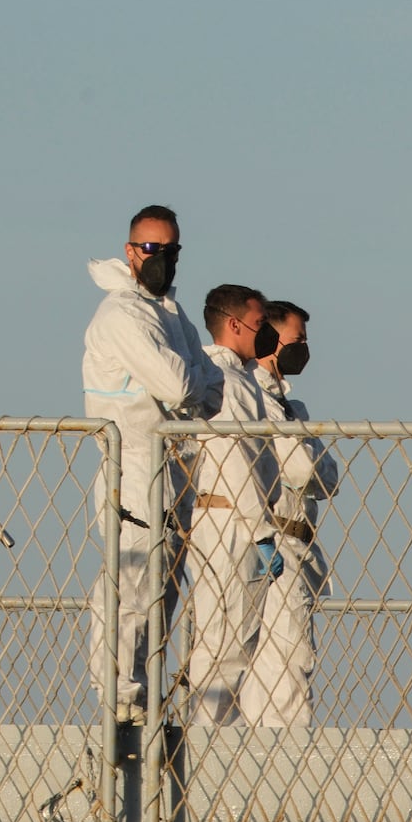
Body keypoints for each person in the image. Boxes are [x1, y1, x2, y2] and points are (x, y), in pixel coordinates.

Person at [82, 205, 224, 724]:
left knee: (162, 592)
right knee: (131, 585)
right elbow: (184, 386)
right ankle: (118, 698)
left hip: (176, 466)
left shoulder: (171, 314)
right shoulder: (122, 313)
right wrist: (189, 380)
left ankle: (144, 702)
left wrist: (189, 380)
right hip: (135, 467)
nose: (159, 259)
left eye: (169, 251)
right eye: (150, 249)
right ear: (130, 251)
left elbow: (213, 388)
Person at [184, 285, 281, 726]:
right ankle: (208, 740)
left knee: (219, 639)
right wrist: (262, 530)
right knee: (229, 644)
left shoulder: (216, 375)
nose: (266, 336)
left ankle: (209, 732)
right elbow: (237, 459)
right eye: (261, 326)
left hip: (218, 516)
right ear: (234, 324)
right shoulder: (232, 382)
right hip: (233, 519)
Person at [249, 300, 339, 728]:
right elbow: (304, 470)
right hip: (277, 539)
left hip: (302, 540)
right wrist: (309, 459)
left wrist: (308, 460)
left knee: (287, 658)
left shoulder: (291, 407)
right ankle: (286, 755)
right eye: (297, 340)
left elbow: (329, 479)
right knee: (287, 658)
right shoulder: (258, 398)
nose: (304, 349)